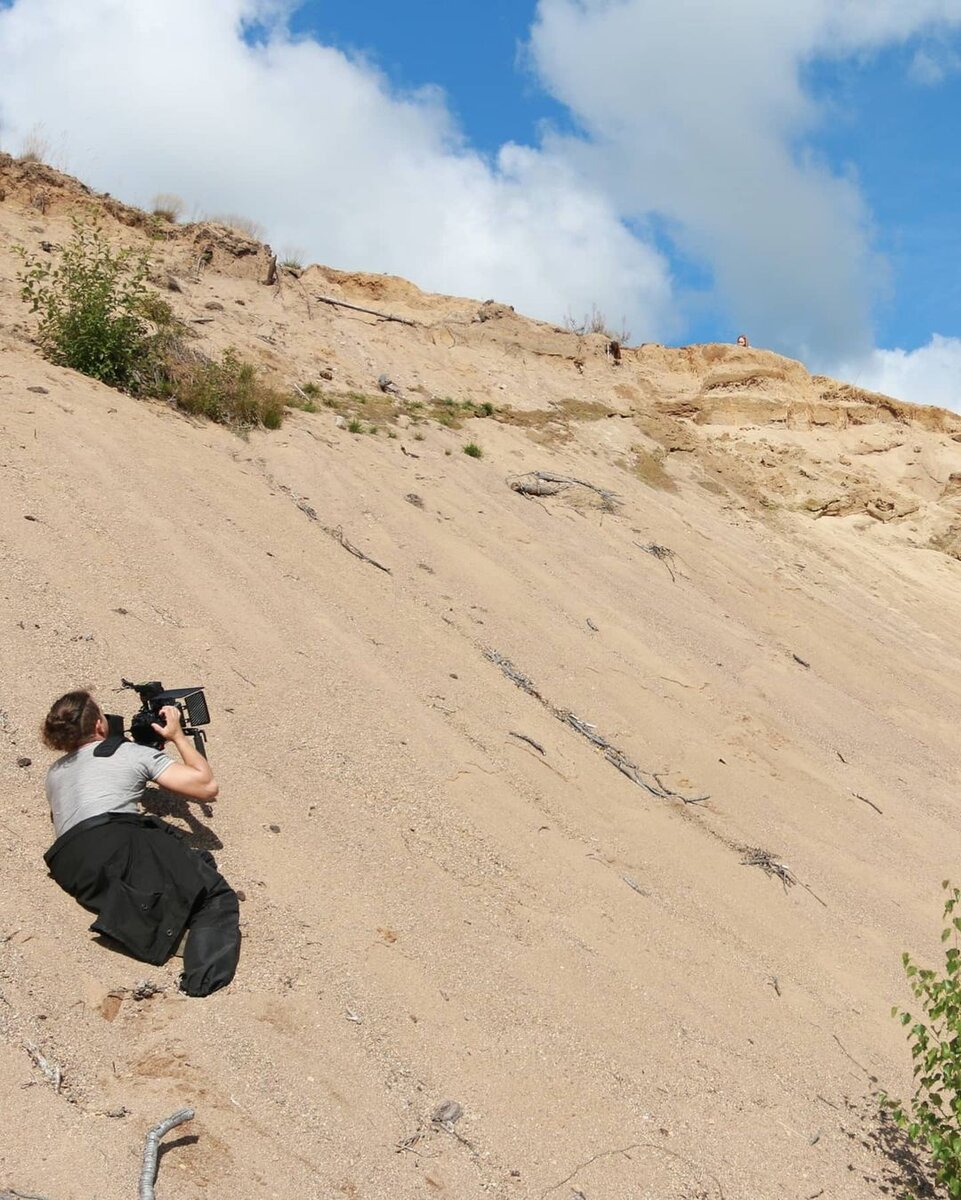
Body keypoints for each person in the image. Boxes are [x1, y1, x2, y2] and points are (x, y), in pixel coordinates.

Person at [41, 690, 240, 997]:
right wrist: (176, 737)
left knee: (189, 863)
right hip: (115, 842)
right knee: (213, 893)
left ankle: (147, 923)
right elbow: (206, 787)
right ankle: (202, 982)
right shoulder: (129, 754)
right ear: (98, 726)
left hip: (69, 864)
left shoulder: (55, 772)